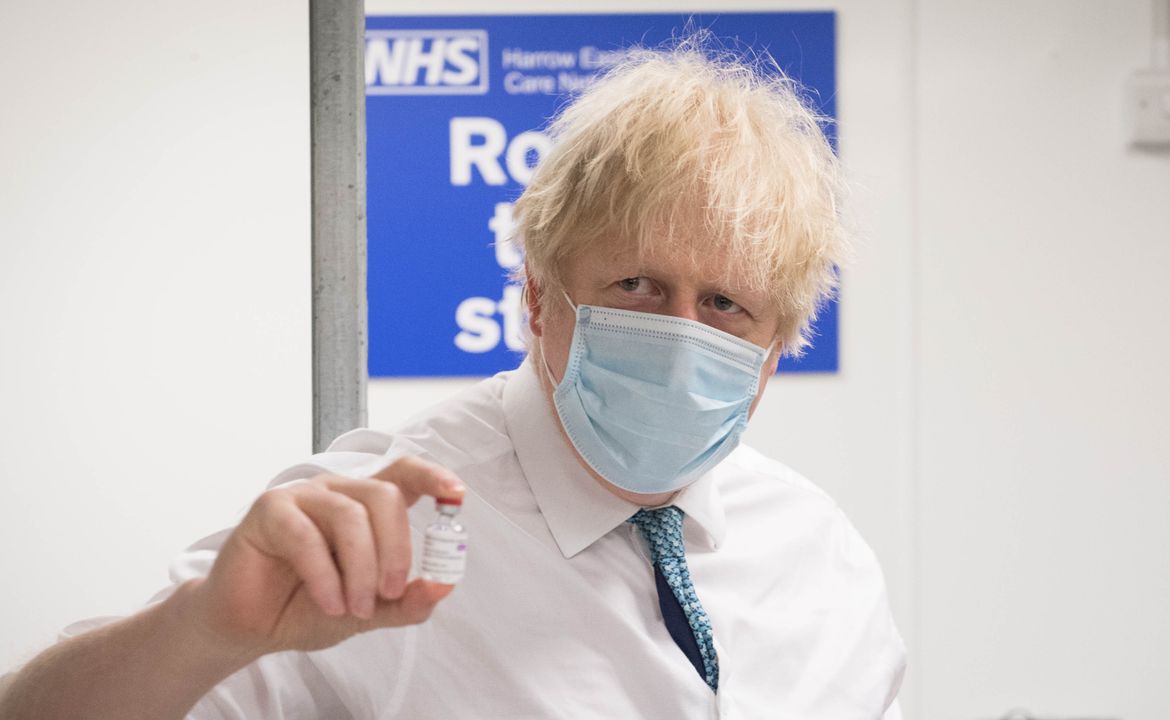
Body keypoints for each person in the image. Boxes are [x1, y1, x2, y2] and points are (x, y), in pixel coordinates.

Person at [0, 41, 905, 719]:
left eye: (724, 306)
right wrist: (202, 628)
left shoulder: (822, 561)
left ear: (774, 351)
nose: (678, 333)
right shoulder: (361, 530)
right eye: (636, 286)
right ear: (540, 300)